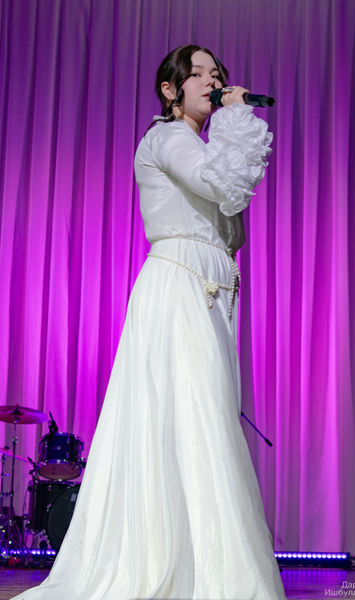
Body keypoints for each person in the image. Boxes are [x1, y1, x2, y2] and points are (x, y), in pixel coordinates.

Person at [12, 44, 286, 600]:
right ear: (170, 89)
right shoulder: (167, 138)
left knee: (201, 422)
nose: (212, 82)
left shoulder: (201, 146)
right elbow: (222, 186)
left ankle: (200, 565)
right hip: (179, 289)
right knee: (194, 420)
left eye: (218, 75)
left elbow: (230, 223)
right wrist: (238, 120)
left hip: (208, 292)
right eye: (199, 74)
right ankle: (194, 572)